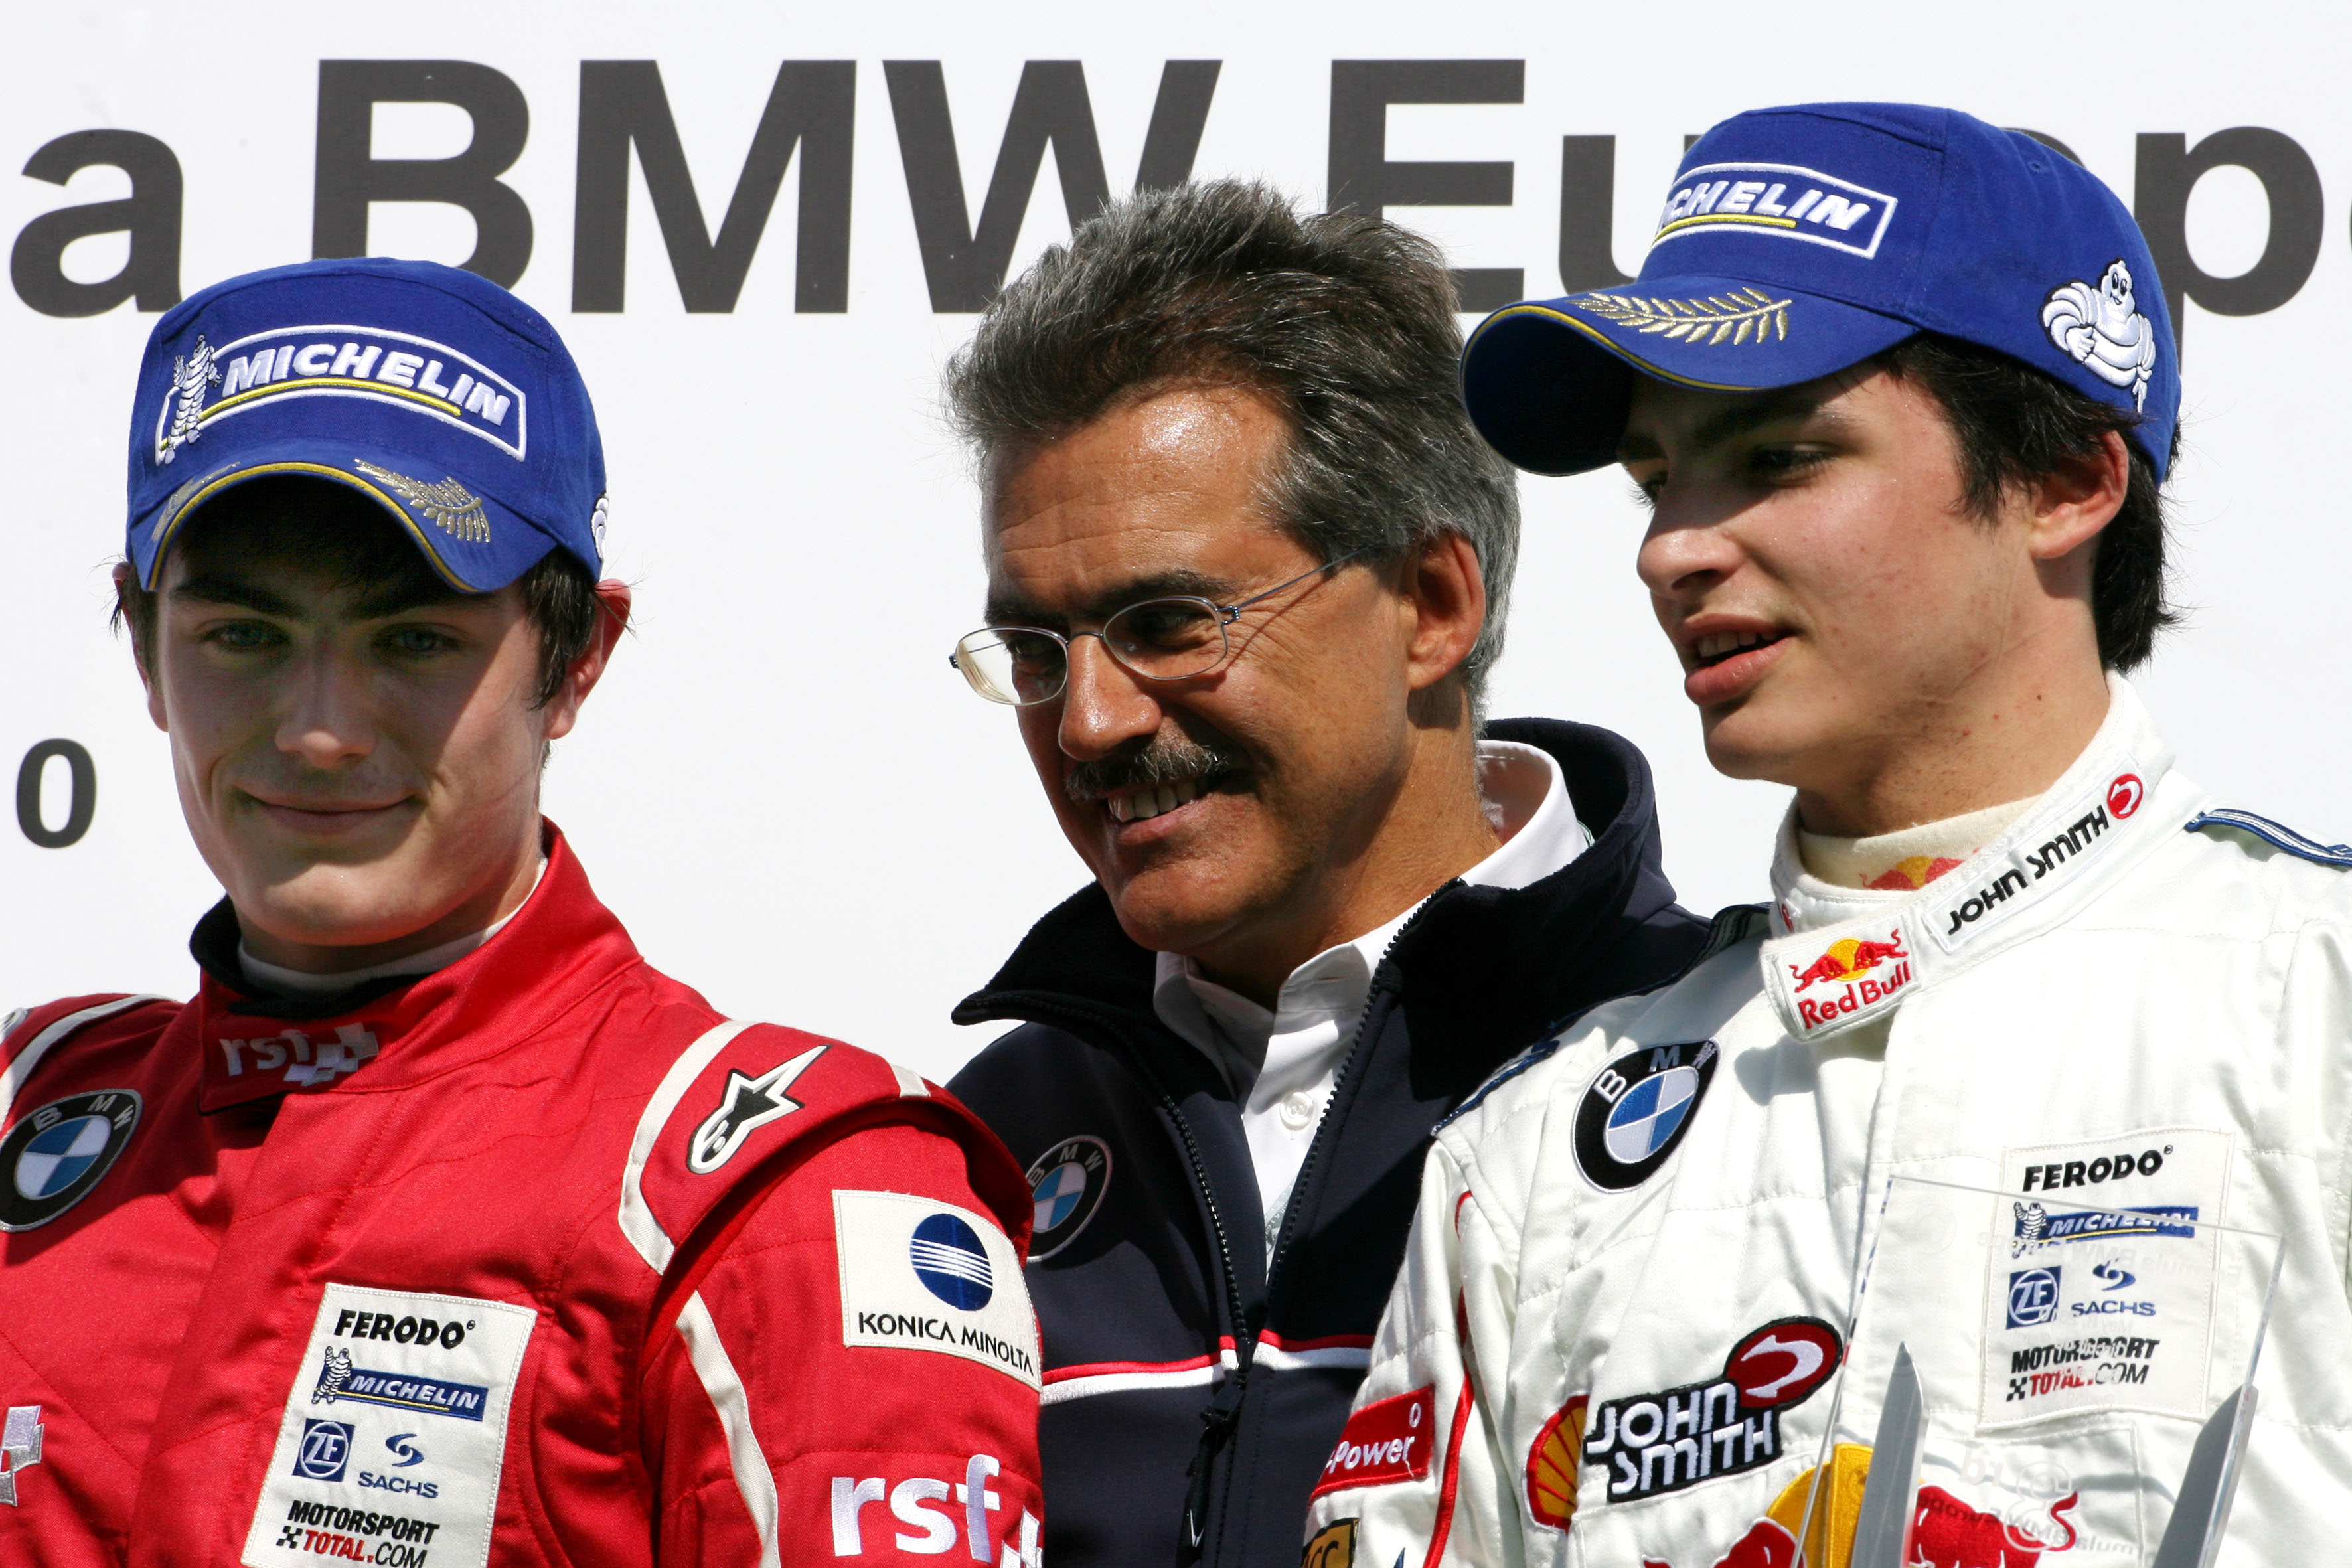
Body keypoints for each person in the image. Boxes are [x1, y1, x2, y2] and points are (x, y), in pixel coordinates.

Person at [1304, 101, 2352, 1568]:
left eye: (1778, 455)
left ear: (2065, 478)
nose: (1669, 546)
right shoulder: (1531, 1149)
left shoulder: (2315, 998)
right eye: (1656, 476)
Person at [0, 258, 1044, 1568]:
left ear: (576, 659)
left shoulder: (774, 1182)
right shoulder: (28, 1108)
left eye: (415, 640)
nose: (319, 731)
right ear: (145, 643)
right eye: (243, 637)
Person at [939, 181, 1710, 1568]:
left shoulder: (1720, 1062)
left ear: (1430, 606)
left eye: (1167, 621)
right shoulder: (970, 1149)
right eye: (1036, 650)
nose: (1090, 722)